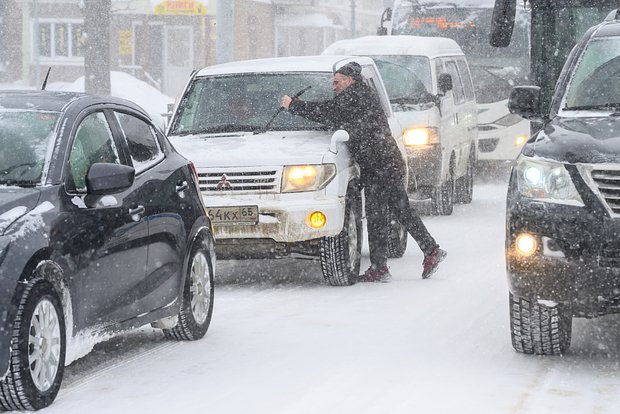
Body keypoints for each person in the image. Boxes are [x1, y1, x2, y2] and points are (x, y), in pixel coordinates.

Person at [280, 61, 446, 282]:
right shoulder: (361, 94)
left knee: (379, 215)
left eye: (337, 82)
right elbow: (333, 109)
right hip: (384, 162)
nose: (334, 86)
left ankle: (383, 266)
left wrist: (295, 106)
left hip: (380, 164)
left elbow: (328, 111)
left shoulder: (354, 95)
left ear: (350, 80)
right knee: (399, 210)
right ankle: (427, 251)